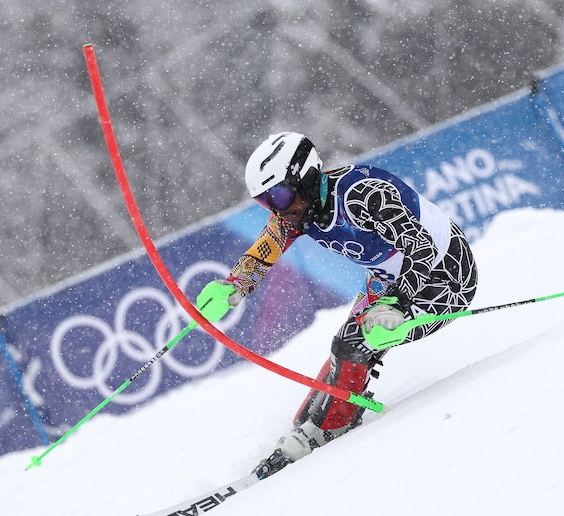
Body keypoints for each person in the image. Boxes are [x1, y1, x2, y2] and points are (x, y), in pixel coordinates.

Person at [197, 132, 477, 478]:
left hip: (445, 278)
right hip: (389, 280)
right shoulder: (296, 213)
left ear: (307, 177)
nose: (278, 210)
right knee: (341, 356)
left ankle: (328, 429)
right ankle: (309, 426)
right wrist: (234, 285)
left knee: (353, 345)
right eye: (266, 203)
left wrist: (399, 303)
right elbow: (265, 250)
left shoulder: (363, 196)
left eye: (280, 196)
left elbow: (420, 247)